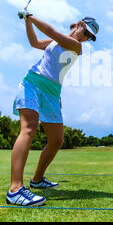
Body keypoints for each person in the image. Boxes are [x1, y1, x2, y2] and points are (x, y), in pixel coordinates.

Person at [6, 11, 99, 206]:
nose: (85, 37)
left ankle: (37, 180)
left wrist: (29, 16)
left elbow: (51, 30)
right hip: (33, 83)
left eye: (90, 37)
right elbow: (33, 42)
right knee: (29, 128)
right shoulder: (56, 42)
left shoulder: (76, 46)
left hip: (52, 93)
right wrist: (27, 22)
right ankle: (15, 190)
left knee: (56, 141)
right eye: (86, 31)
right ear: (79, 24)